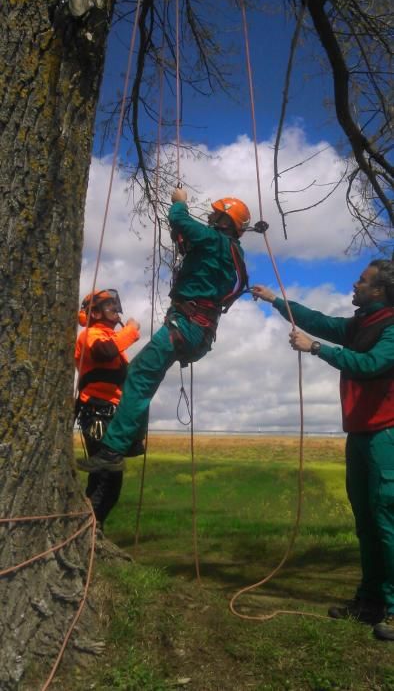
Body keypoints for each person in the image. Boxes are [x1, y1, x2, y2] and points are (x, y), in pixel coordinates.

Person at [252, 259, 394, 641]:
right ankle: (370, 602)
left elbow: (370, 364)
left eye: (362, 281)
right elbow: (315, 318)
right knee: (366, 523)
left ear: (379, 290)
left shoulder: (391, 327)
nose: (355, 284)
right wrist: (274, 301)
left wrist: (315, 348)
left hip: (387, 436)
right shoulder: (358, 324)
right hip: (361, 435)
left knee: (386, 521)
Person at [77, 187, 250, 475]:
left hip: (184, 325)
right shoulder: (231, 253)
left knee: (139, 376)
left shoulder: (214, 240)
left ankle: (112, 450)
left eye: (215, 213)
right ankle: (130, 442)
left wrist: (179, 203)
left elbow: (181, 220)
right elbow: (196, 255)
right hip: (200, 333)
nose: (209, 216)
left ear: (225, 221)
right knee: (143, 376)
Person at [75, 288, 141, 531]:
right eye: (109, 306)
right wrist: (131, 331)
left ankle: (93, 527)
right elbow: (104, 352)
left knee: (110, 478)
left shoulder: (110, 338)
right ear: (94, 312)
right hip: (97, 412)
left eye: (115, 305)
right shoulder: (91, 334)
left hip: (110, 411)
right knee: (105, 476)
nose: (115, 310)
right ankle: (88, 529)